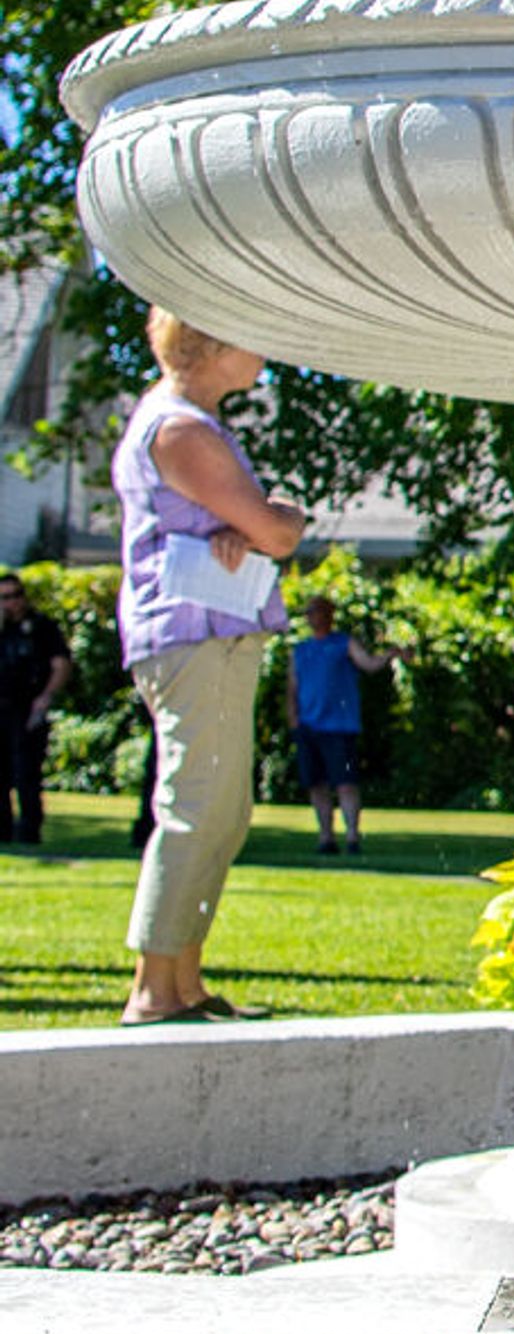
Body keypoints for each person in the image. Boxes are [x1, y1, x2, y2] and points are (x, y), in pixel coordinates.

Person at [112, 309, 305, 1026]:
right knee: (197, 808)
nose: (266, 347)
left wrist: (254, 519)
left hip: (206, 640)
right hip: (198, 640)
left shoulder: (186, 424)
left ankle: (183, 984)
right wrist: (267, 517)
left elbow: (263, 524)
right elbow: (279, 532)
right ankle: (155, 992)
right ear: (210, 343)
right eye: (250, 331)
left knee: (221, 811)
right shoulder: (182, 429)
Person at [286, 591, 397, 856]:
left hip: (339, 726)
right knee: (317, 785)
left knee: (345, 783)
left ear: (330, 615)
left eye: (319, 611)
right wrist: (293, 719)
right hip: (309, 727)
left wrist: (389, 655)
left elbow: (368, 664)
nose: (315, 617)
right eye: (310, 612)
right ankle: (326, 837)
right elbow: (292, 687)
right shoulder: (300, 650)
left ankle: (352, 835)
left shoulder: (343, 644)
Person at [0, 572, 74, 847]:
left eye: (16, 595)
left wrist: (46, 697)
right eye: (5, 598)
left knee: (26, 773)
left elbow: (61, 664)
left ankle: (29, 833)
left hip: (28, 708)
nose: (12, 603)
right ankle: (3, 834)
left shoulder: (42, 627)